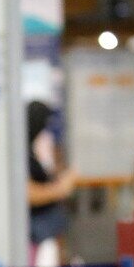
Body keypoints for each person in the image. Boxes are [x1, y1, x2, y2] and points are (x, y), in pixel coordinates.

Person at [25, 101, 79, 249]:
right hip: (38, 232)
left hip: (48, 228)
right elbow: (28, 194)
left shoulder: (31, 151)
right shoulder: (20, 155)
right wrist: (60, 188)